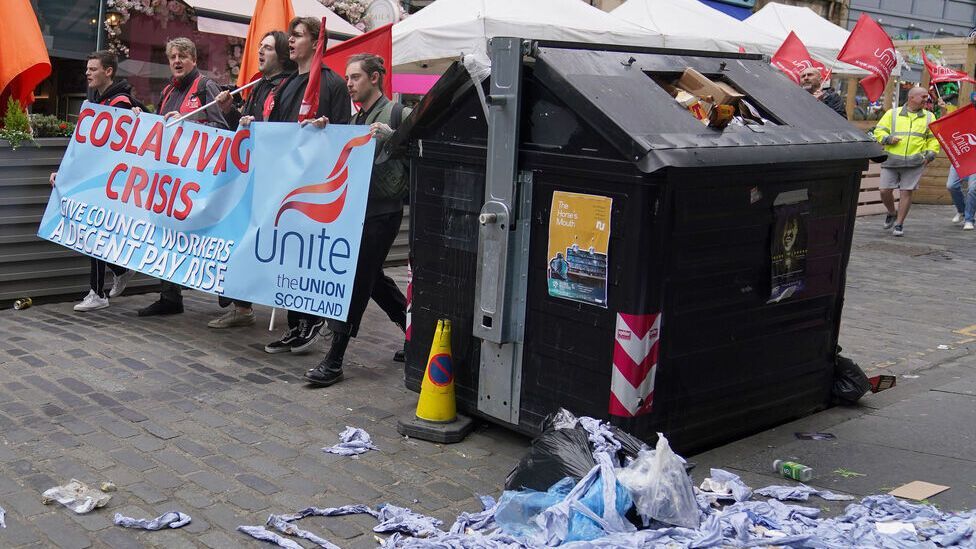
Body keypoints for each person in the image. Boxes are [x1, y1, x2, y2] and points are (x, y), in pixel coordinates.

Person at [303, 53, 411, 387]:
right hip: (357, 211)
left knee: (356, 278)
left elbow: (425, 149)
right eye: (348, 79)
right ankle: (414, 334)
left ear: (375, 77)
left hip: (383, 211)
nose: (349, 84)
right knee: (372, 276)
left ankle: (334, 359)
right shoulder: (354, 121)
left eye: (355, 78)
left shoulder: (398, 112)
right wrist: (323, 131)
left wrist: (392, 135)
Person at [260, 16, 352, 354]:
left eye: (298, 36)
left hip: (313, 188)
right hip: (284, 182)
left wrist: (325, 129)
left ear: (316, 42)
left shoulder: (332, 83)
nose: (292, 42)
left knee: (305, 254)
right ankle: (295, 323)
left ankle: (311, 318)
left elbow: (342, 134)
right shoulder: (285, 84)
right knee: (287, 254)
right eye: (291, 36)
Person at [207, 30, 296, 328]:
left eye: (268, 48)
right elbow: (242, 131)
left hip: (276, 179)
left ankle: (299, 310)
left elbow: (287, 130)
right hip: (251, 175)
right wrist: (230, 111)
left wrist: (259, 127)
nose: (260, 52)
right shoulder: (259, 85)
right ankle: (241, 305)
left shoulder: (287, 87)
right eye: (260, 46)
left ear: (282, 55)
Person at [136, 37, 229, 317]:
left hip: (197, 179)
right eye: (172, 57)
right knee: (166, 234)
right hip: (170, 177)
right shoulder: (167, 90)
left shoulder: (204, 86)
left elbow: (221, 129)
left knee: (200, 236)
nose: (177, 61)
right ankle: (170, 296)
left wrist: (189, 122)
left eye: (183, 56)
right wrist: (142, 118)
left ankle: (226, 288)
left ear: (194, 60)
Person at [50, 50, 138, 312]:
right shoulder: (99, 100)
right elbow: (84, 145)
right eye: (87, 68)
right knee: (92, 229)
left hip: (108, 179)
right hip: (98, 177)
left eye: (93, 69)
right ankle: (119, 271)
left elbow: (114, 148)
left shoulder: (119, 103)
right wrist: (64, 171)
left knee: (95, 230)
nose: (87, 72)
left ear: (108, 71)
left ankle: (98, 291)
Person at [873, 86, 940, 237]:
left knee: (906, 192)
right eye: (923, 97)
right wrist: (888, 138)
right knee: (884, 191)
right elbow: (878, 131)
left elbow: (933, 139)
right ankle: (891, 212)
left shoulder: (929, 117)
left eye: (926, 97)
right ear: (911, 98)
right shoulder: (892, 113)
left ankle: (899, 224)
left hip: (915, 161)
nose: (926, 99)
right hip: (891, 160)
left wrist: (929, 155)